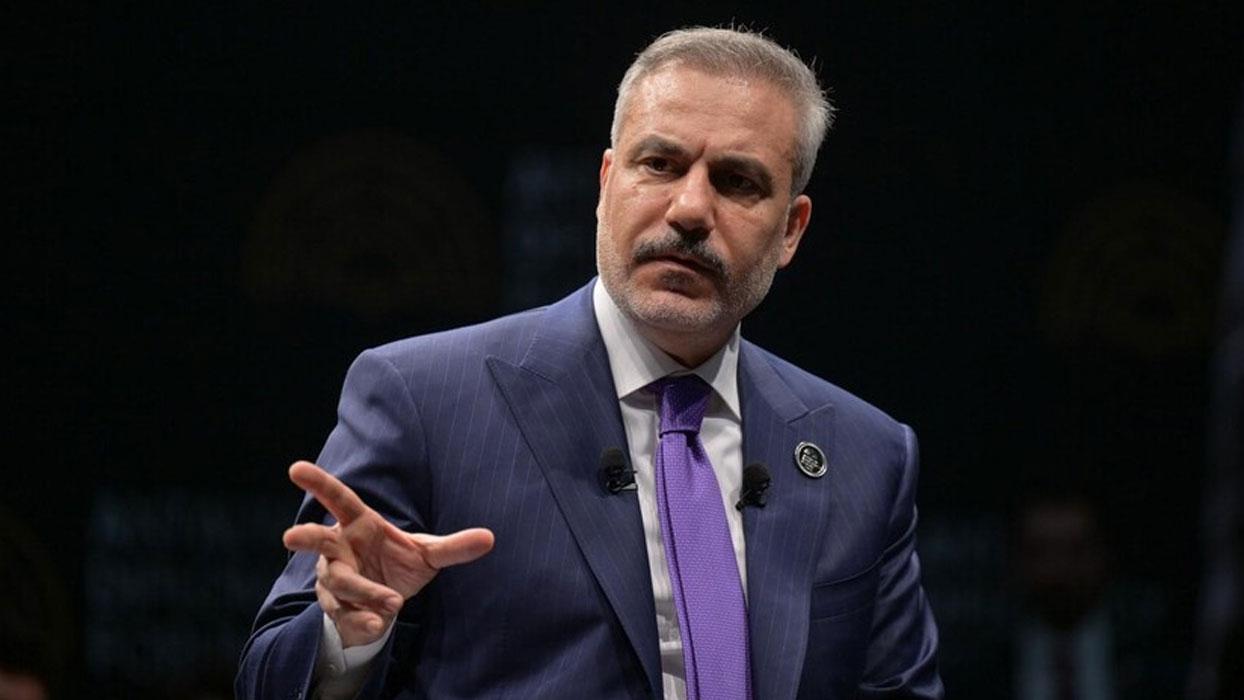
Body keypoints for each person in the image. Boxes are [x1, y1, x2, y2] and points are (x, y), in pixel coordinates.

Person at [237, 26, 942, 699]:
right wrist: (349, 637)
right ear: (606, 183)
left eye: (737, 182)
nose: (690, 208)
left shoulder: (867, 456)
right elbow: (267, 680)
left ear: (791, 229)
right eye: (660, 164)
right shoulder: (424, 399)